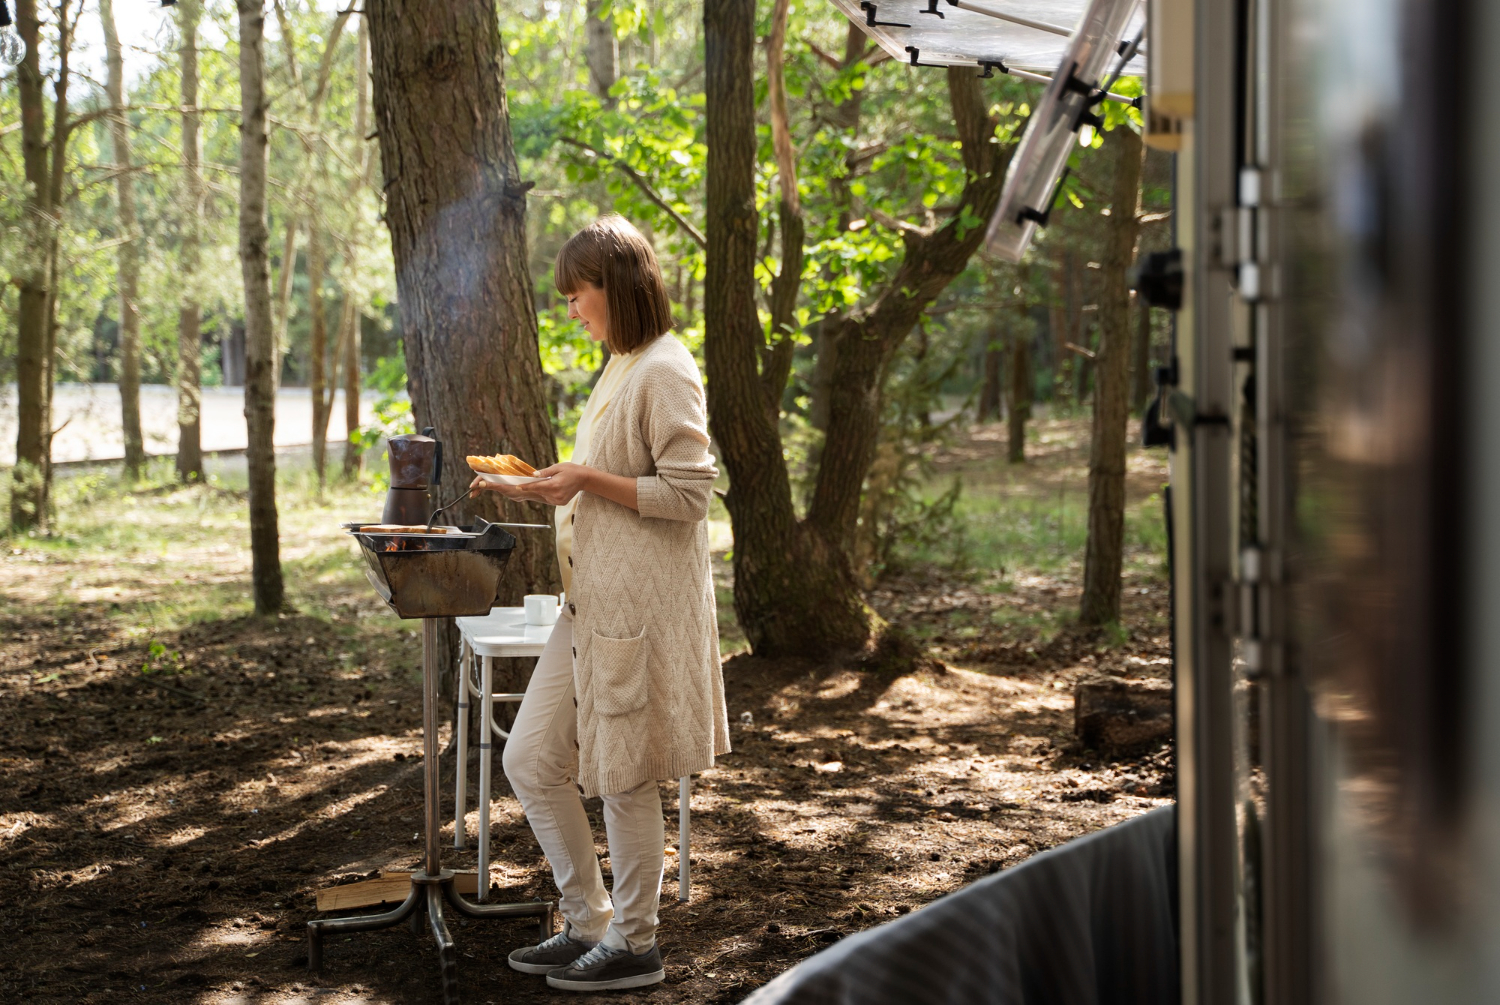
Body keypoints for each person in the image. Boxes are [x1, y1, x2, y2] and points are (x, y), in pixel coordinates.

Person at [470, 215, 730, 992]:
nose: (572, 310)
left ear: (615, 286)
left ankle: (637, 943)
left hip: (638, 612)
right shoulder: (619, 363)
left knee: (625, 776)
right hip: (588, 608)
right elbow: (602, 474)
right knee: (529, 757)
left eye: (578, 295)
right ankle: (588, 918)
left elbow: (690, 494)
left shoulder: (665, 367)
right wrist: (539, 483)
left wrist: (583, 480)